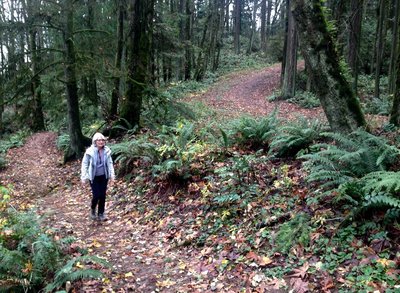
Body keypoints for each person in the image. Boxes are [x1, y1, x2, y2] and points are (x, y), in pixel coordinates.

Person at [81, 132, 115, 221]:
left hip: (104, 176)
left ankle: (101, 213)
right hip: (94, 177)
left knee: (102, 195)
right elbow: (85, 164)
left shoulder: (107, 151)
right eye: (99, 140)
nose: (101, 142)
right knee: (96, 195)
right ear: (95, 141)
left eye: (103, 140)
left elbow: (110, 163)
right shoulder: (89, 151)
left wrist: (112, 176)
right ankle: (93, 209)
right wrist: (84, 177)